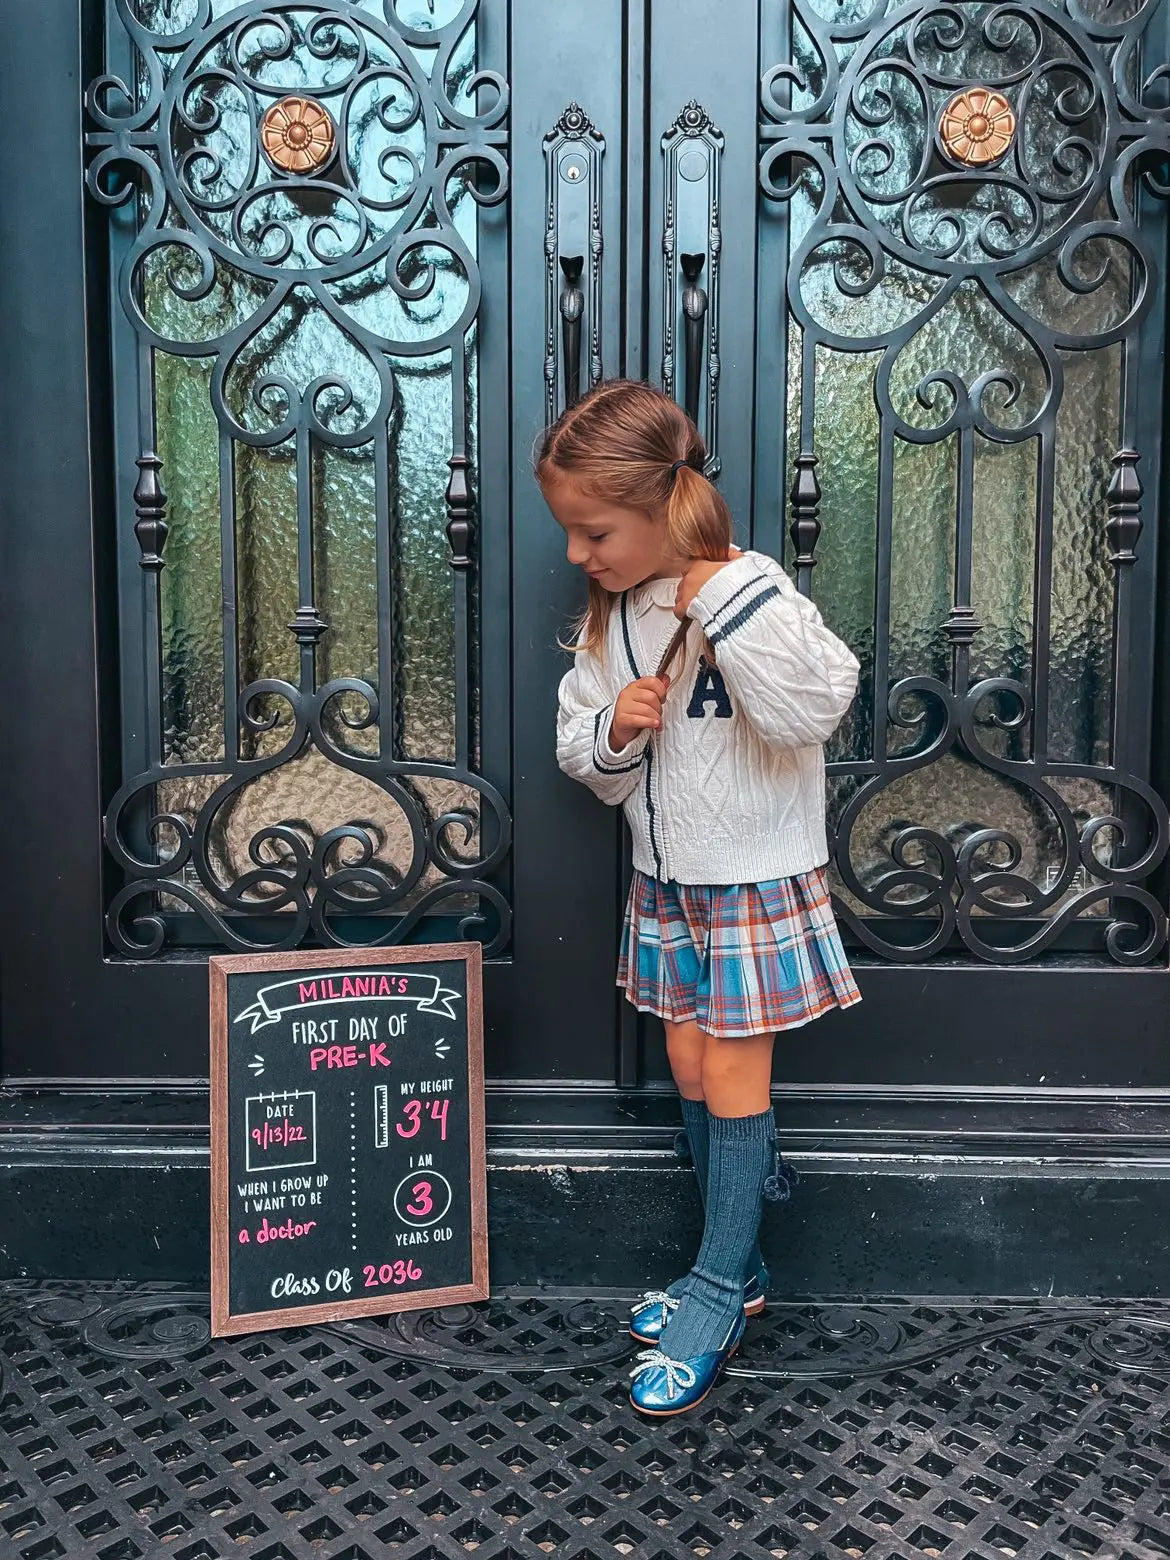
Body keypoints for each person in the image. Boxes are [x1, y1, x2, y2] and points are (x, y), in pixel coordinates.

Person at [534, 378, 863, 1416]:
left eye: (595, 532)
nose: (580, 555)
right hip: (668, 883)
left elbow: (815, 703)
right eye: (573, 535)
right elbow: (576, 748)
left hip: (757, 879)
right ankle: (748, 1249)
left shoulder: (750, 587)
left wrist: (716, 595)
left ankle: (719, 1288)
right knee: (687, 1056)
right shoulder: (608, 621)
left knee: (729, 1065)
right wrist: (616, 732)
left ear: (663, 503)